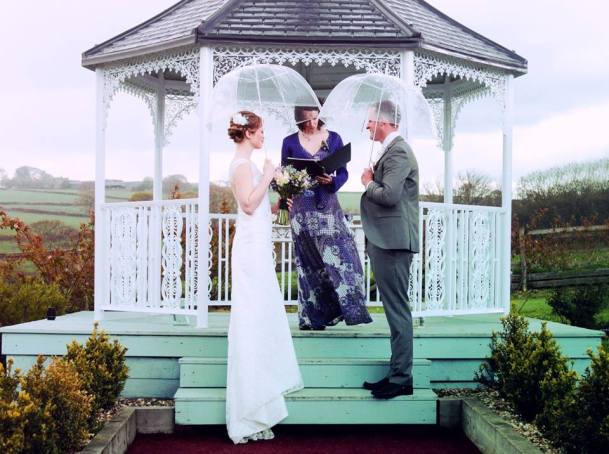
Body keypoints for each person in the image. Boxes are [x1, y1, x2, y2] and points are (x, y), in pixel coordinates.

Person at [226, 111, 303, 443]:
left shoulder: (250, 165)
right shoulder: (241, 166)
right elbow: (245, 204)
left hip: (258, 248)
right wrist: (269, 174)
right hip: (248, 252)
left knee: (261, 322)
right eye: (260, 132)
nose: (263, 137)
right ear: (247, 133)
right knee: (250, 322)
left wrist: (279, 203)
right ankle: (247, 412)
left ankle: (262, 405)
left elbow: (258, 207)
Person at [281, 105, 372, 330]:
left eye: (315, 118)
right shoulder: (289, 141)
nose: (312, 123)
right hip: (301, 212)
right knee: (308, 265)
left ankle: (352, 310)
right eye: (307, 120)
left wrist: (332, 182)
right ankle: (313, 318)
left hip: (328, 208)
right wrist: (285, 200)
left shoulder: (334, 139)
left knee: (343, 258)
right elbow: (283, 175)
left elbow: (343, 173)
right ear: (299, 121)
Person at [360, 100, 419, 400]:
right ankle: (397, 374)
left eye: (370, 121)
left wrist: (369, 183)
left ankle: (401, 378)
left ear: (384, 122)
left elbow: (389, 196)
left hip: (394, 242)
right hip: (387, 241)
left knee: (398, 311)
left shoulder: (399, 152)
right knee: (394, 309)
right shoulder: (392, 152)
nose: (367, 126)